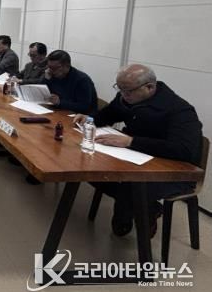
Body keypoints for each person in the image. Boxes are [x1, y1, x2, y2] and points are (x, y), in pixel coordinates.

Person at [74, 64, 203, 237]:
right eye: (119, 89)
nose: (123, 95)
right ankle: (143, 207)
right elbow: (109, 114)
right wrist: (90, 119)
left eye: (128, 91)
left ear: (149, 87)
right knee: (94, 172)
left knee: (131, 186)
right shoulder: (128, 98)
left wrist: (131, 141)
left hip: (174, 172)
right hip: (136, 157)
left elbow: (182, 149)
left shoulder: (179, 110)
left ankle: (141, 213)